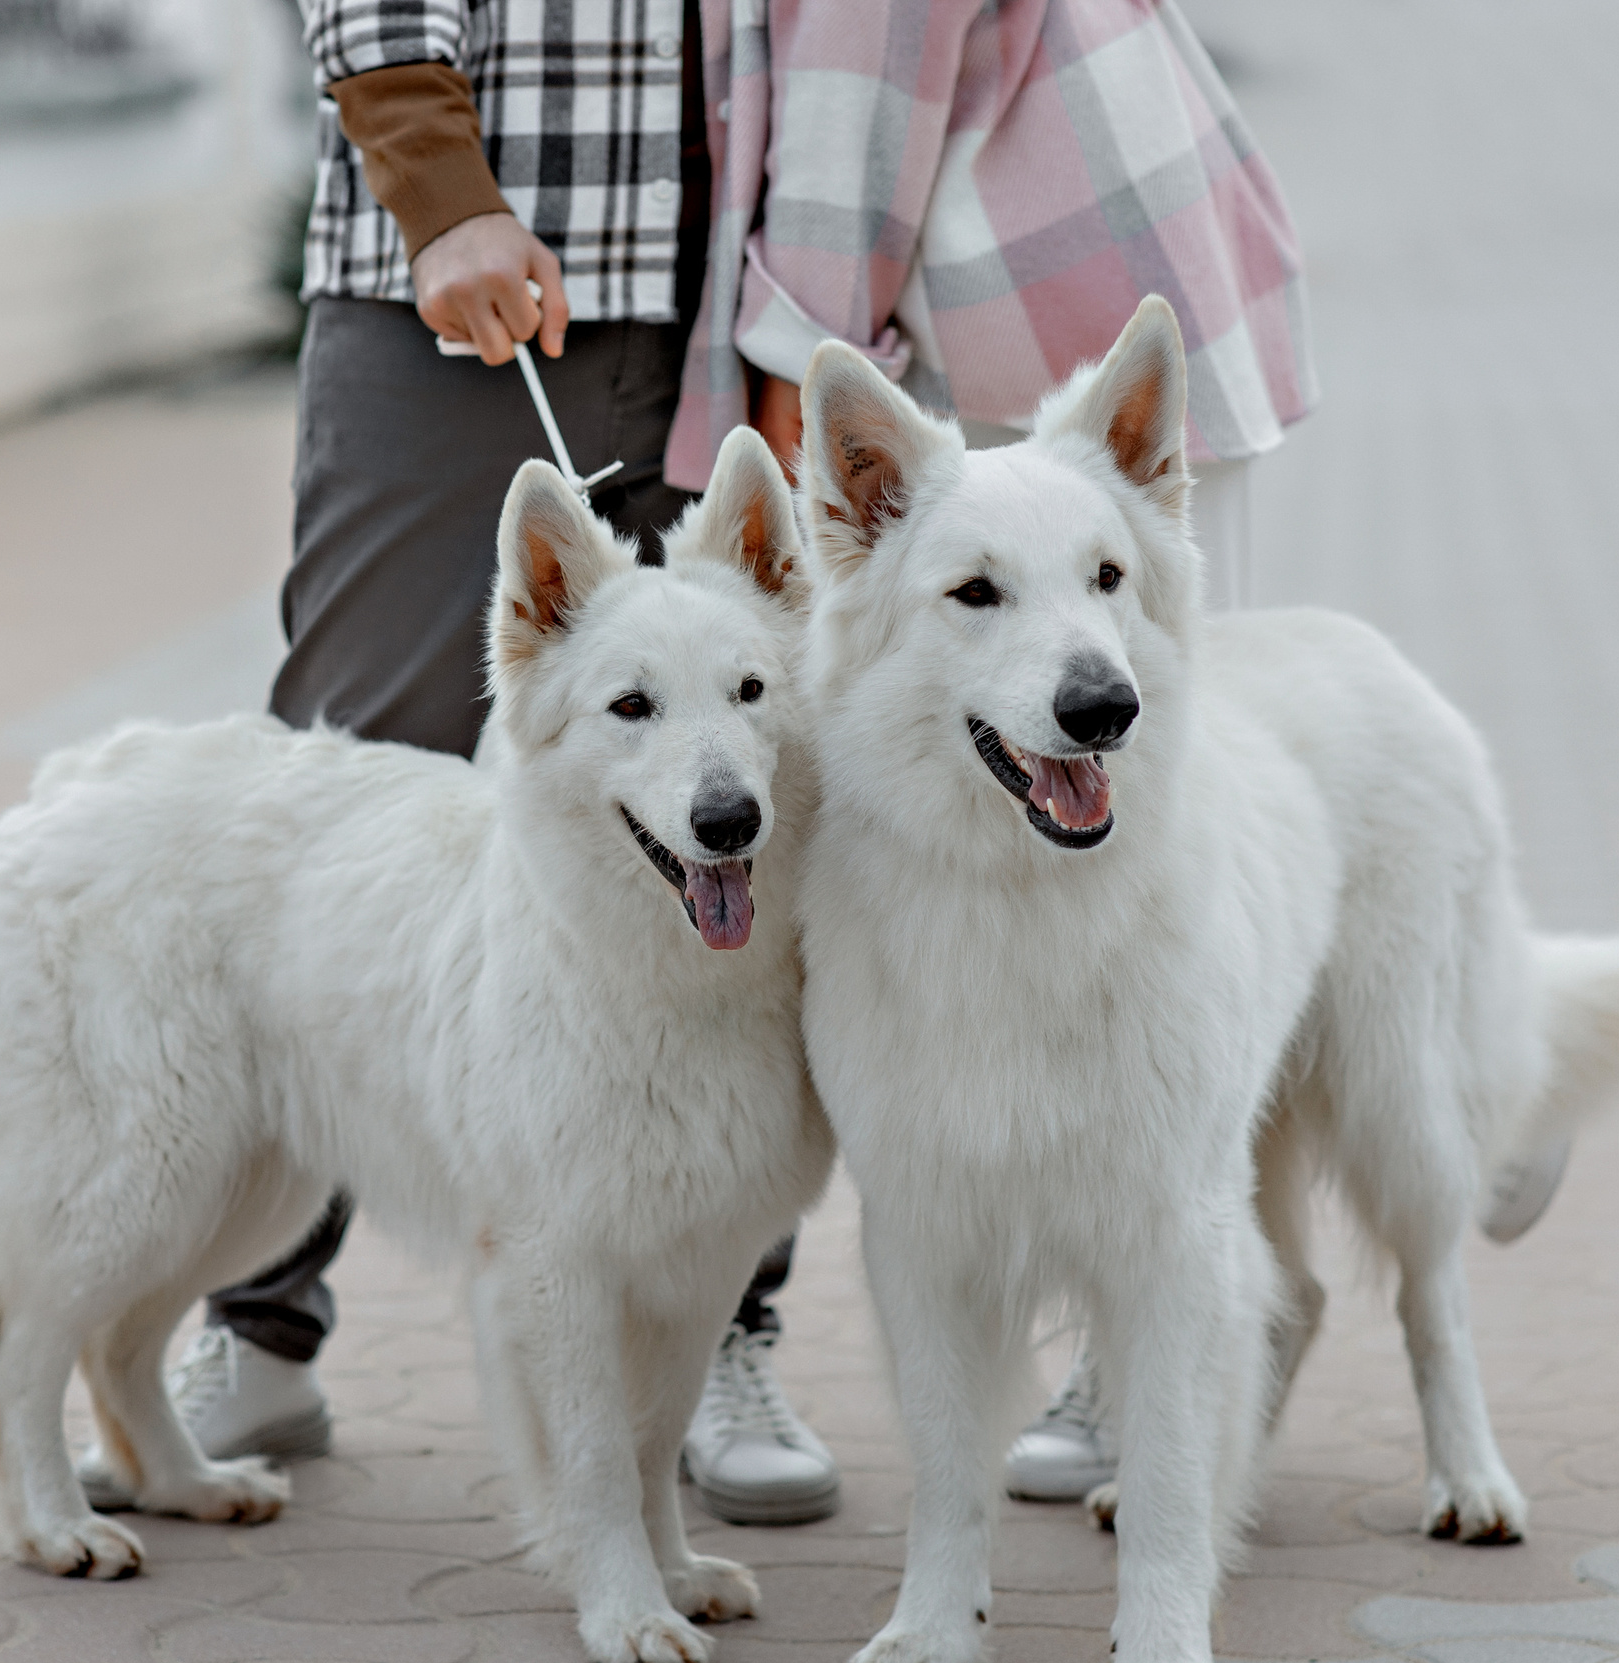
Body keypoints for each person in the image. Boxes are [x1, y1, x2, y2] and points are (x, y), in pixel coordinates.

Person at [142, 0, 846, 1529]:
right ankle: (260, 1323)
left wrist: (822, 307)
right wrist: (439, 184)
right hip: (455, 278)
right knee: (358, 762)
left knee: (745, 810)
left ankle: (718, 1332)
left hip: (737, 292)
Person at [663, 0, 1321, 1502]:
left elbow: (857, 76)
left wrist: (791, 359)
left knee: (1154, 835)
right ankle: (1133, 1322)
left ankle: (1137, 1331)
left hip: (1023, 299)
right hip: (1118, 237)